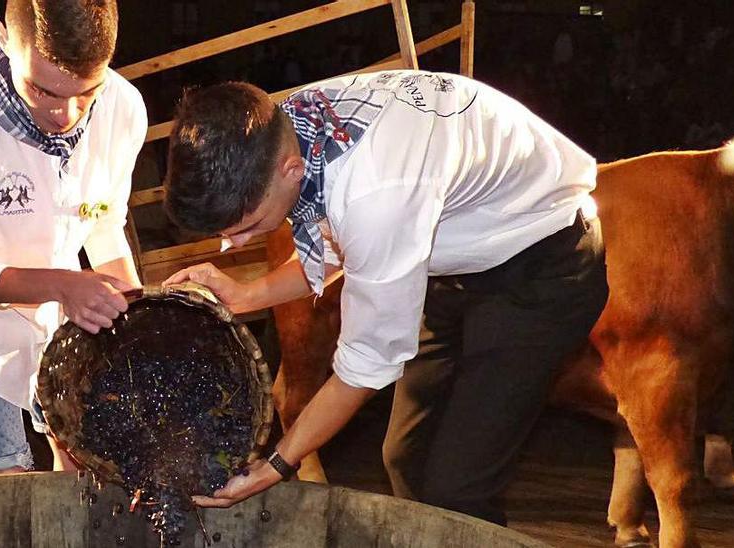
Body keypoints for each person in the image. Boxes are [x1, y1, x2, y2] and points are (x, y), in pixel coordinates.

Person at [162, 72, 608, 524]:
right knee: (405, 455)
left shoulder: (376, 190)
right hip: (455, 262)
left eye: (246, 225)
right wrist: (245, 294)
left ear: (290, 171)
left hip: (543, 263)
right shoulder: (294, 122)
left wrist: (277, 463)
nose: (234, 246)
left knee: (457, 489)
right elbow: (347, 246)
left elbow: (365, 366)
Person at [0, 0, 147, 474]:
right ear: (5, 38)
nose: (66, 115)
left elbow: (102, 223)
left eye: (86, 93)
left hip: (62, 320)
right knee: (9, 485)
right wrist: (60, 283)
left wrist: (134, 316)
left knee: (85, 466)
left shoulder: (123, 108)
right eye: (43, 91)